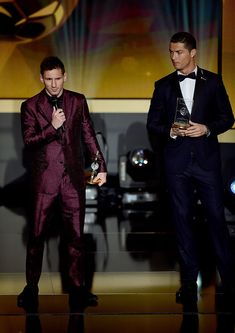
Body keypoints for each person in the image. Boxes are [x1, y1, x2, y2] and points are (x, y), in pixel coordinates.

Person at [147, 32, 235, 311]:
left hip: (207, 163)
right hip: (177, 164)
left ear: (193, 53)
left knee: (216, 220)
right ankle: (187, 284)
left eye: (179, 52)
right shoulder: (162, 86)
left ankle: (230, 280)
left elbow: (227, 118)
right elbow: (153, 123)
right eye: (171, 52)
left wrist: (207, 128)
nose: (173, 57)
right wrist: (170, 130)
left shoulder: (213, 81)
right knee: (182, 221)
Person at [17, 56, 107, 312]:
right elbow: (29, 141)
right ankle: (31, 288)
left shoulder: (77, 100)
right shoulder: (30, 106)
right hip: (44, 181)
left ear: (65, 76)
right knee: (36, 237)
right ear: (41, 79)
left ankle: (77, 290)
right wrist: (53, 127)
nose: (54, 84)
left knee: (76, 238)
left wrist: (100, 165)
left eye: (58, 78)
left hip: (72, 180)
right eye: (49, 79)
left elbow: (88, 134)